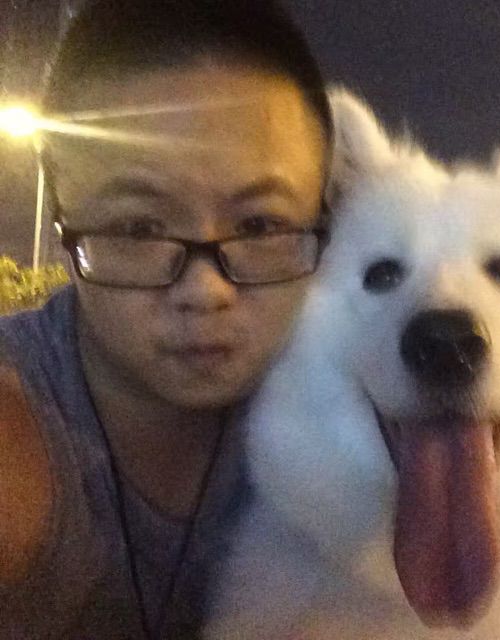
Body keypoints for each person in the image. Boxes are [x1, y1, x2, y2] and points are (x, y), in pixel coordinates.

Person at [0, 1, 332, 637]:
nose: (204, 292)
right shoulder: (22, 422)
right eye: (137, 227)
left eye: (259, 225)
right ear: (61, 203)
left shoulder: (370, 412)